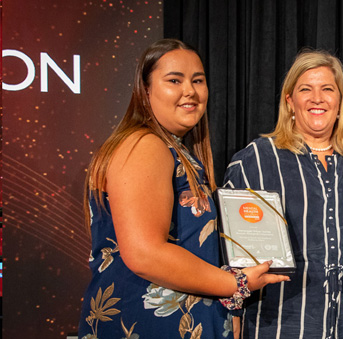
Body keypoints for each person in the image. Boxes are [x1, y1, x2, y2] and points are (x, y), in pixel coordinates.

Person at [78, 39, 288, 339]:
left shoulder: (174, 150)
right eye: (174, 80)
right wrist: (235, 284)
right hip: (145, 326)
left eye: (198, 81)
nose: (190, 90)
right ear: (145, 89)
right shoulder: (144, 145)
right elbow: (144, 253)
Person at [223, 49, 343, 338]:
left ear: (340, 102)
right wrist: (234, 314)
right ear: (290, 101)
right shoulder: (257, 160)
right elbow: (231, 254)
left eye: (327, 89)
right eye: (306, 89)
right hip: (280, 325)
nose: (317, 98)